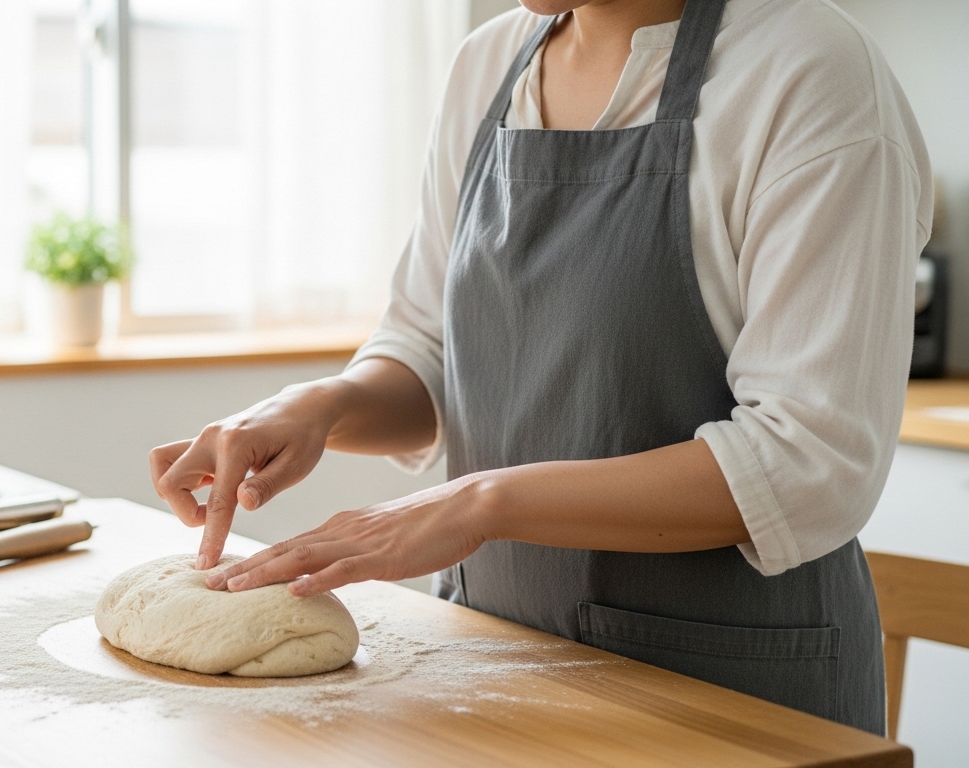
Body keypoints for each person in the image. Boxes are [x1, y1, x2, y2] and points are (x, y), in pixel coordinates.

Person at [149, 0, 931, 734]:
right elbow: (430, 351)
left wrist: (479, 503)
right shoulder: (487, 64)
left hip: (729, 692)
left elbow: (806, 463)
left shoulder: (812, 77)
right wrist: (323, 403)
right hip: (491, 658)